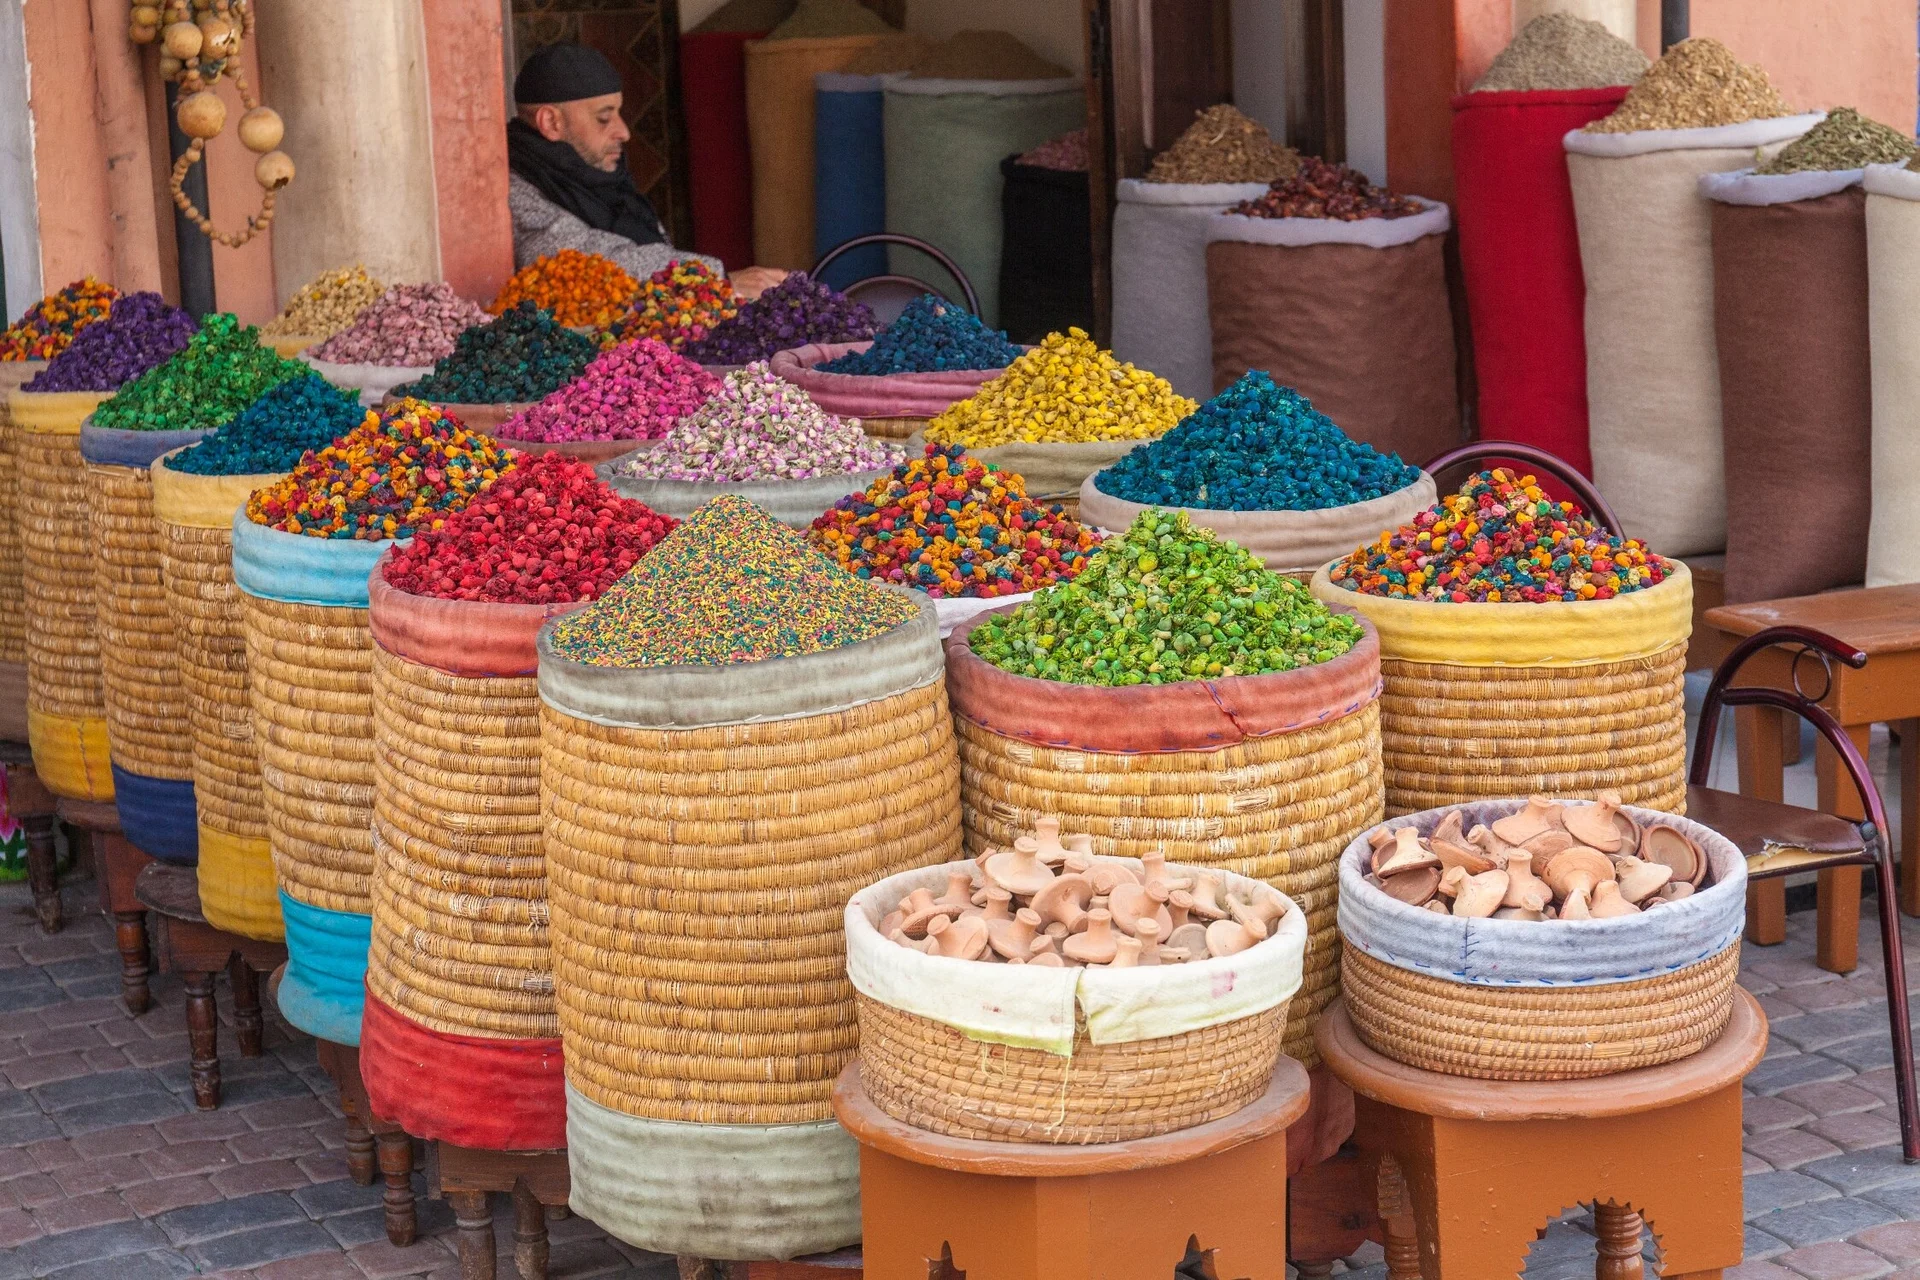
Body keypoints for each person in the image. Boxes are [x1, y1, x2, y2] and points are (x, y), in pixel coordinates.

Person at [507, 43, 787, 296]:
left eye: (618, 114)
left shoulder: (602, 178)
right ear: (551, 122)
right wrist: (715, 278)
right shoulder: (513, 189)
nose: (624, 132)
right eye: (604, 118)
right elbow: (579, 260)